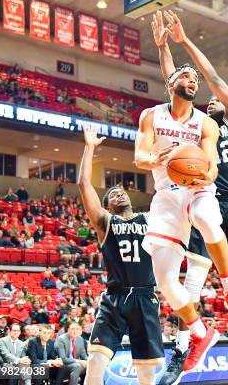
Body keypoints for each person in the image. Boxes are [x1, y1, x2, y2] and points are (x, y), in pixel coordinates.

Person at [153, 9, 228, 385]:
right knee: (190, 284)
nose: (217, 99)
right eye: (212, 99)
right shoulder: (196, 131)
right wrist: (165, 50)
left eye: (223, 96)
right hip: (205, 205)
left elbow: (215, 80)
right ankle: (181, 349)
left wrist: (184, 40)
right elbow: (171, 85)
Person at [77, 126, 164, 385]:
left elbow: (171, 198)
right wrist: (90, 146)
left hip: (145, 296)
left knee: (147, 373)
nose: (118, 192)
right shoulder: (105, 222)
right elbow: (83, 185)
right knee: (95, 362)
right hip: (115, 298)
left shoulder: (150, 218)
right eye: (111, 194)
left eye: (121, 190)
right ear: (108, 206)